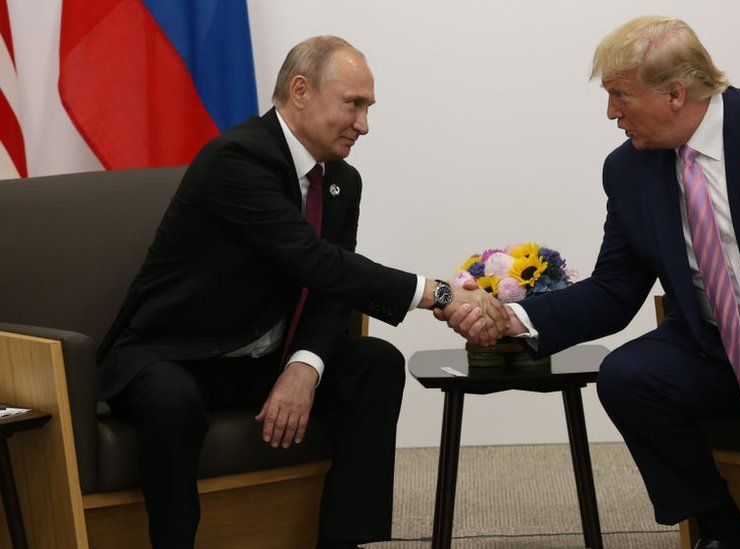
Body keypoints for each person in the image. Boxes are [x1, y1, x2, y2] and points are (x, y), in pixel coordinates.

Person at [441, 16, 740, 549]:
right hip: (729, 343)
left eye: (620, 96)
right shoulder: (628, 170)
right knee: (628, 378)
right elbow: (615, 289)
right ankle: (723, 532)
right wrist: (513, 317)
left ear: (675, 93)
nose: (611, 113)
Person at [97, 36, 507, 549]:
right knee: (170, 400)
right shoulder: (237, 159)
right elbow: (315, 261)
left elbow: (329, 291)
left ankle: (348, 540)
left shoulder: (342, 182)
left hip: (257, 358)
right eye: (352, 104)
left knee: (374, 365)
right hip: (174, 354)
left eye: (367, 107)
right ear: (300, 91)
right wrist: (440, 295)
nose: (363, 124)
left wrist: (304, 366)